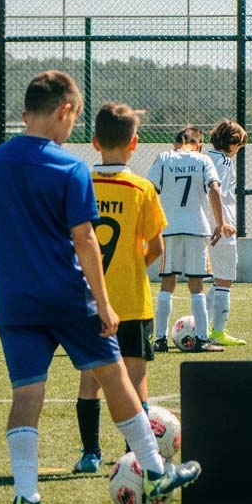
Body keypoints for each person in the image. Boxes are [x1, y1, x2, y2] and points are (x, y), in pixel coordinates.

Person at [0, 71, 200, 504]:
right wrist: (105, 303)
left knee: (26, 394)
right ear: (65, 111)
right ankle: (154, 472)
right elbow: (85, 239)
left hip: (14, 303)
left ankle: (26, 501)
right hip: (69, 298)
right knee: (115, 378)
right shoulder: (70, 168)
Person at [72, 102, 167, 474]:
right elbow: (157, 247)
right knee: (136, 382)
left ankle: (90, 454)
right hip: (132, 301)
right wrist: (132, 268)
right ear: (135, 143)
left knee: (90, 380)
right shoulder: (142, 189)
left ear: (94, 142)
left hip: (90, 302)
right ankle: (133, 456)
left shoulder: (79, 183)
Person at [146, 125, 227, 353]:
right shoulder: (203, 160)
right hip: (197, 229)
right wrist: (220, 223)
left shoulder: (164, 157)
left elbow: (149, 189)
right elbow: (214, 189)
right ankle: (202, 339)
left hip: (169, 228)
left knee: (167, 283)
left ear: (176, 143)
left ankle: (159, 340)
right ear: (199, 144)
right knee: (196, 285)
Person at [204, 119, 249, 346]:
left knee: (217, 279)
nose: (238, 150)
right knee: (224, 280)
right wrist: (223, 223)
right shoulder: (223, 161)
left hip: (203, 226)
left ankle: (199, 325)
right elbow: (216, 191)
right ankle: (217, 332)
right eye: (239, 145)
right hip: (221, 228)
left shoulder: (203, 158)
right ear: (231, 144)